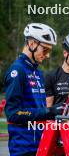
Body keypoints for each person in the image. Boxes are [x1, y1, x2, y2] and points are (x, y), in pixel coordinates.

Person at [4, 23, 64, 156]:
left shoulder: (38, 72)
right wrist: (49, 111)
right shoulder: (17, 71)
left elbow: (39, 108)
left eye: (49, 51)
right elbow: (13, 113)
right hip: (24, 148)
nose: (47, 55)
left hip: (42, 145)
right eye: (45, 50)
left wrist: (55, 112)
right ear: (31, 44)